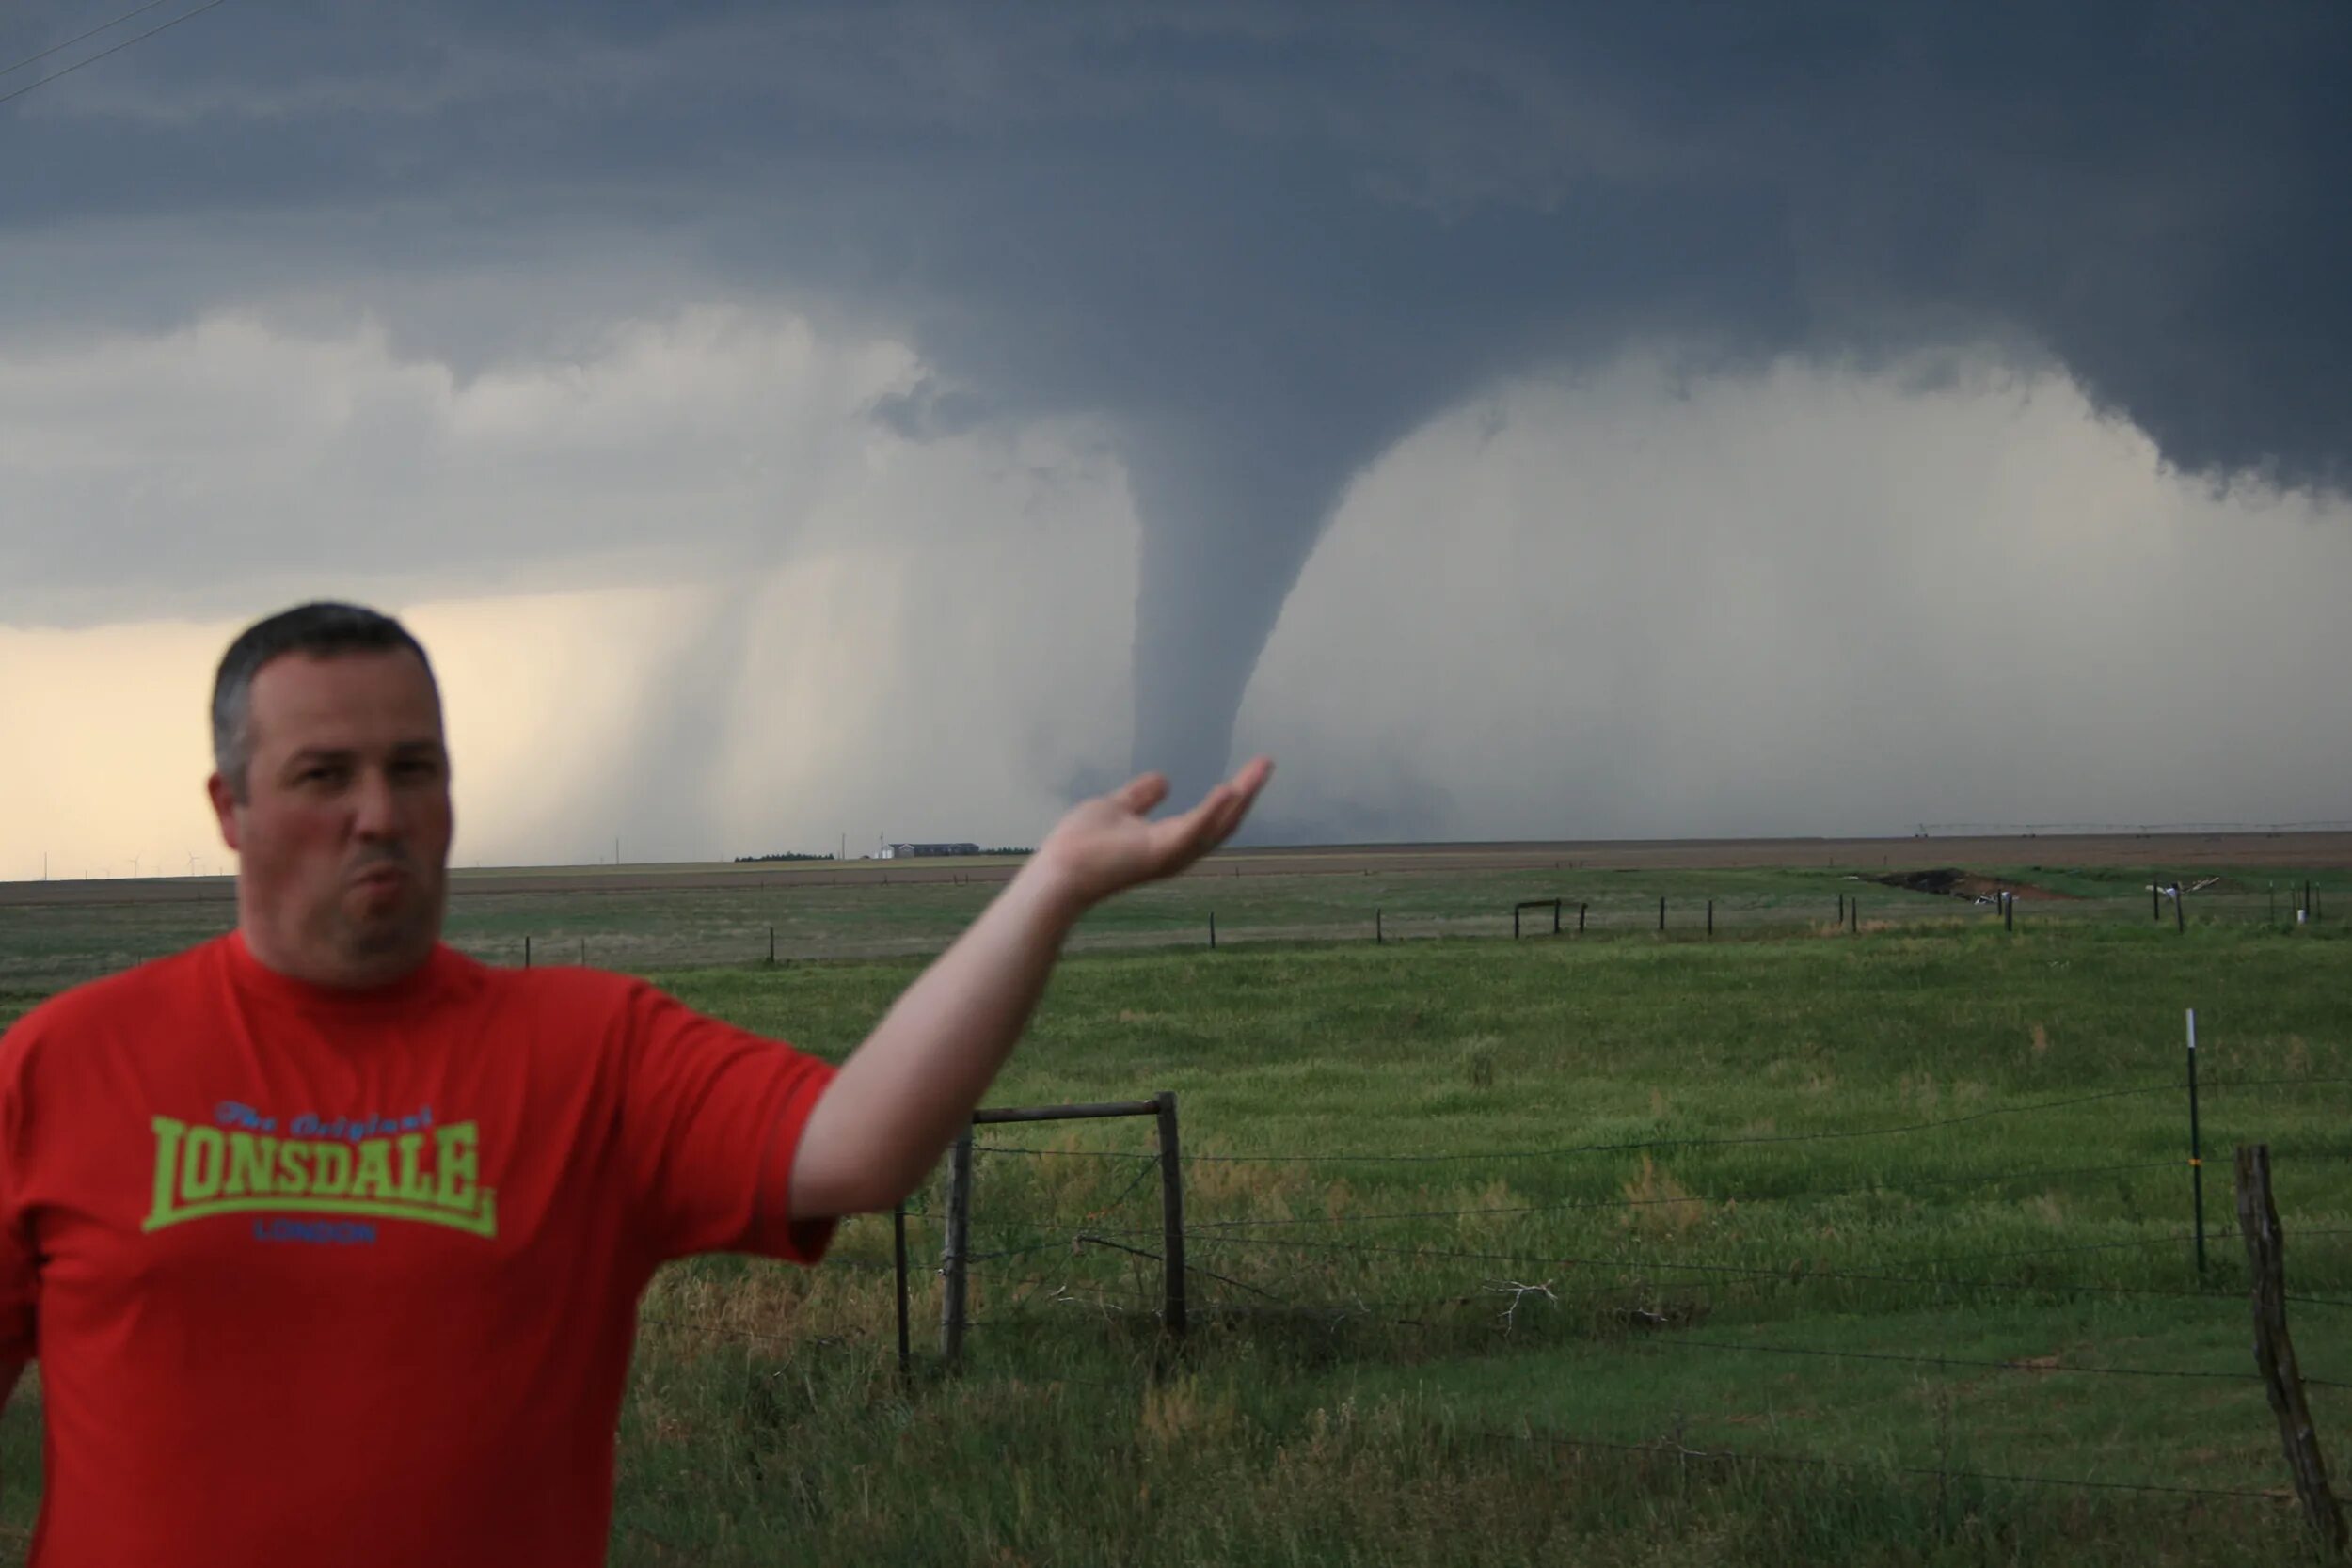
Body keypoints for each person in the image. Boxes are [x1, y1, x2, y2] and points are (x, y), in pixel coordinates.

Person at [0, 601, 1271, 1567]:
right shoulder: (65, 1064)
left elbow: (861, 1147)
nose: (378, 812)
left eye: (416, 768)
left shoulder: (588, 1050)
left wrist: (1047, 890)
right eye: (323, 776)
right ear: (230, 809)